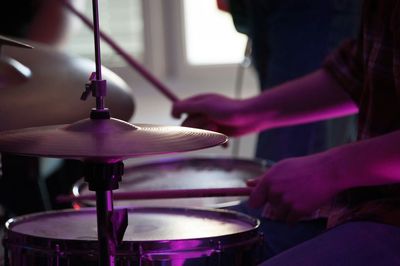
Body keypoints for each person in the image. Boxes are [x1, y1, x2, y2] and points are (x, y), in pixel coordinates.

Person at [172, 1, 400, 264]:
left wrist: (331, 170)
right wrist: (247, 112)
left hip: (389, 216)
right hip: (366, 203)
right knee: (198, 254)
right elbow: (359, 71)